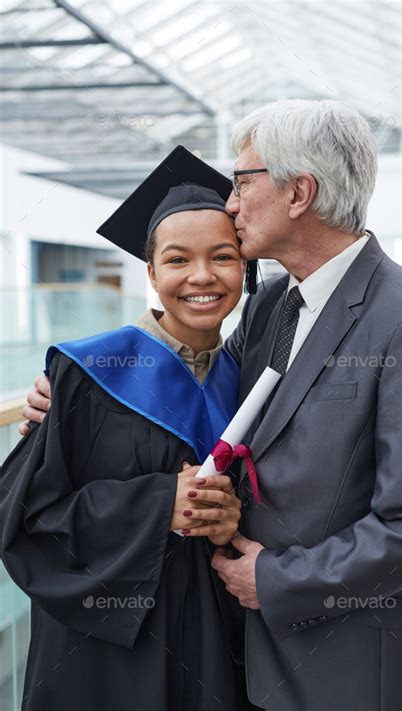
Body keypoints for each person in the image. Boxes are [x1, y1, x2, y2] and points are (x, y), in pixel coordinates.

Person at [18, 100, 402, 711]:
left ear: (298, 192)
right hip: (248, 661)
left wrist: (275, 580)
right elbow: (195, 366)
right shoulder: (272, 304)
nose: (230, 203)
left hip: (350, 672)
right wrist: (72, 388)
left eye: (241, 181)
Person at [0, 147, 254, 711]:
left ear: (245, 266)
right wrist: (159, 503)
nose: (201, 277)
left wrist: (228, 518)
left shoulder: (251, 380)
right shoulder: (88, 372)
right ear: (151, 272)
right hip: (103, 652)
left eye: (223, 256)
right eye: (177, 259)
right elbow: (24, 518)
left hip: (215, 640)